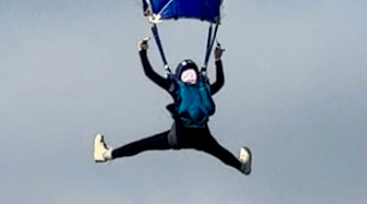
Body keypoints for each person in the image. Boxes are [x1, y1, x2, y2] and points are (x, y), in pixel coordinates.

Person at [94, 38, 252, 174]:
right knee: (220, 152)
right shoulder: (204, 89)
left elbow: (150, 74)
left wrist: (142, 52)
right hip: (202, 138)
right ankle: (241, 167)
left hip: (179, 137)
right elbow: (220, 82)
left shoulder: (176, 88)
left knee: (143, 145)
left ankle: (106, 154)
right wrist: (218, 60)